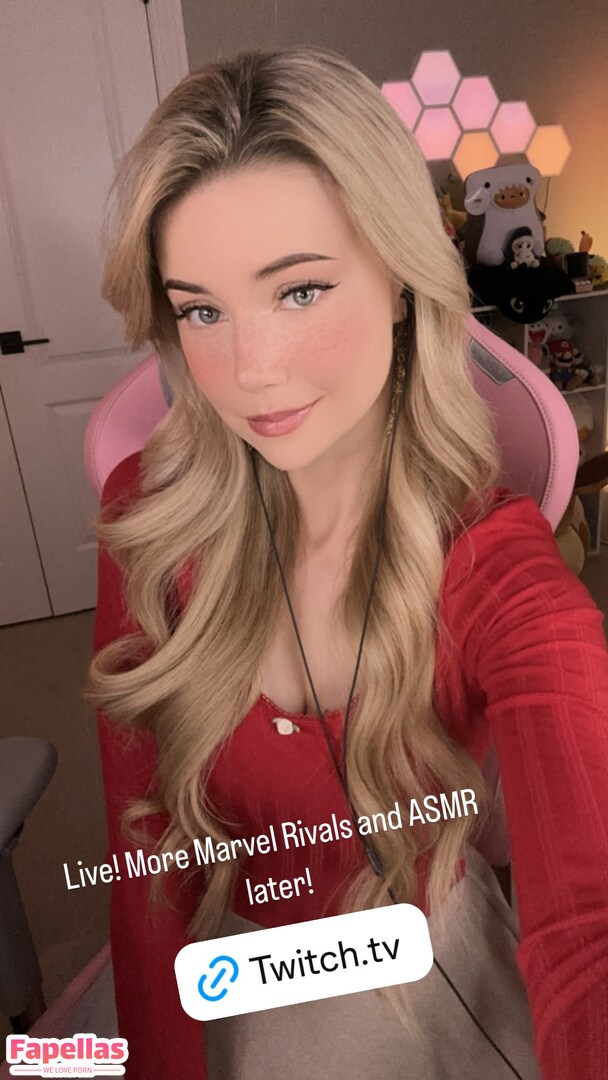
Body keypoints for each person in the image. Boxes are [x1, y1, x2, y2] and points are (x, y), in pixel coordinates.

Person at [85, 45, 608, 1080]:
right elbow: (145, 854)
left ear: (401, 282)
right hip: (219, 986)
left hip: (432, 992)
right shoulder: (150, 513)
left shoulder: (492, 564)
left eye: (300, 291)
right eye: (201, 310)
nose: (250, 372)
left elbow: (588, 922)